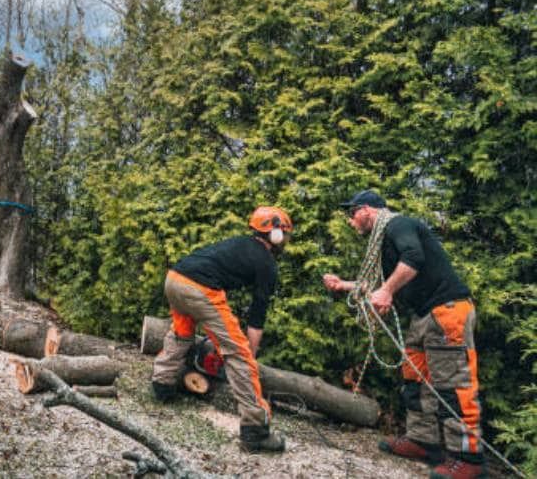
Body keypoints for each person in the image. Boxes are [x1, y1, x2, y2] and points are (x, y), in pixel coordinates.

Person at [323, 190, 484, 479]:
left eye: (352, 214)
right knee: (415, 379)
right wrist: (343, 285)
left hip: (447, 312)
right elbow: (379, 281)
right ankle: (423, 441)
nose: (350, 221)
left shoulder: (399, 225)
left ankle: (468, 459)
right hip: (424, 316)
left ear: (367, 210)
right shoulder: (385, 240)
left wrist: (386, 291)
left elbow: (413, 258)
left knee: (453, 386)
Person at [151, 206, 293, 453]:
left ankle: (162, 385)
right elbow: (257, 317)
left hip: (174, 279)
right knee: (238, 354)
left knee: (182, 333)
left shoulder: (241, 243)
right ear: (277, 233)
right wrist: (249, 354)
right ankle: (255, 430)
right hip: (199, 288)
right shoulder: (267, 263)